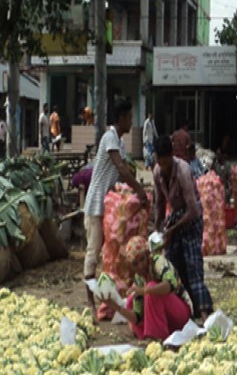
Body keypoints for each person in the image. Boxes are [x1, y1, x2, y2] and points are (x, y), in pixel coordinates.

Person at [83, 100, 148, 314]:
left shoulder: (119, 142)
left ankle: (109, 299)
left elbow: (123, 170)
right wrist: (139, 189)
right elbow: (120, 167)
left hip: (108, 205)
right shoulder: (110, 137)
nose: (131, 122)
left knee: (108, 252)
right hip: (95, 203)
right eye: (129, 118)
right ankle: (90, 301)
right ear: (121, 119)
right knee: (93, 250)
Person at [152, 135, 213, 321]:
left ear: (171, 156)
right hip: (176, 217)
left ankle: (203, 312)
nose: (163, 166)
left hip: (190, 218)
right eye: (159, 162)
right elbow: (159, 205)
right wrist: (158, 231)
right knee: (173, 265)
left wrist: (171, 231)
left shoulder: (183, 171)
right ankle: (182, 309)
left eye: (166, 161)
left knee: (193, 265)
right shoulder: (156, 173)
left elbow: (193, 209)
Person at [111, 235, 193, 340]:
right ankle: (149, 333)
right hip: (166, 321)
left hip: (180, 314)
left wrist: (145, 290)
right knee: (131, 300)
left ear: (148, 255)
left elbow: (170, 285)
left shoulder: (158, 261)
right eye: (135, 264)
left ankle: (156, 337)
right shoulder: (139, 278)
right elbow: (137, 317)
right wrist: (116, 307)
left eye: (142, 259)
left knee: (151, 289)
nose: (140, 266)